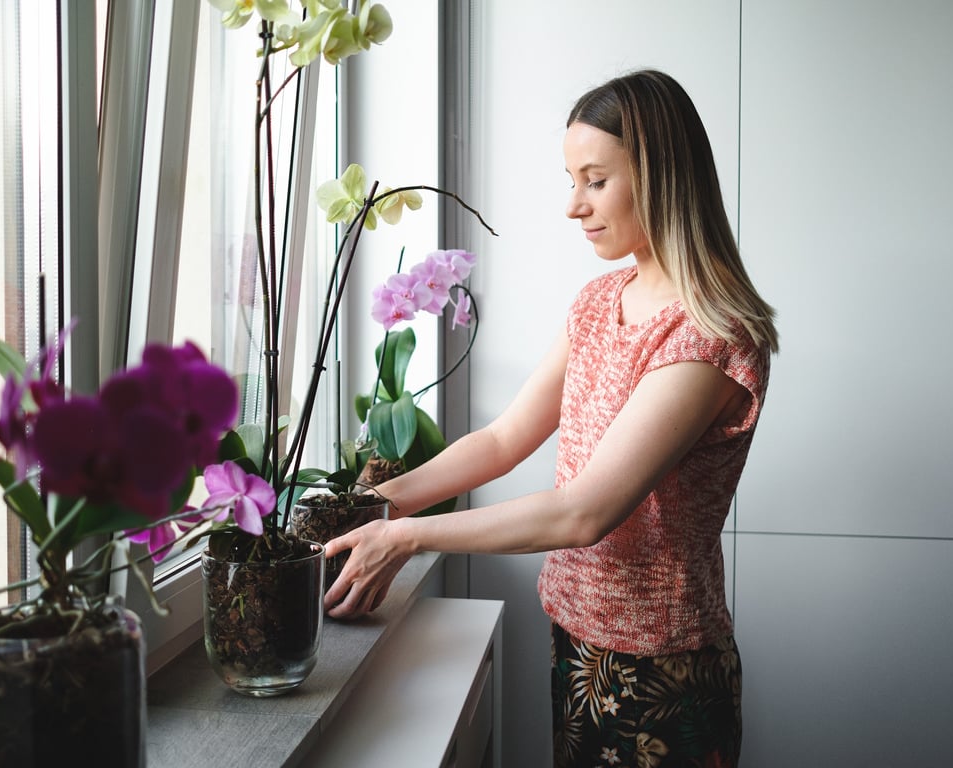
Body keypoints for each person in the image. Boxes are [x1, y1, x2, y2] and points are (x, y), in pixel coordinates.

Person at [323, 69, 778, 768]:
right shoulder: (597, 302)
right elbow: (503, 439)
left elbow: (583, 513)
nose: (574, 206)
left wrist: (406, 535)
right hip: (576, 641)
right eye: (572, 181)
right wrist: (375, 502)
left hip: (663, 671)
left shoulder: (711, 334)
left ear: (660, 175)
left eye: (595, 181)